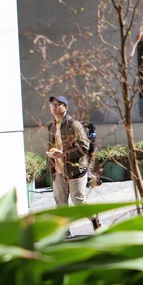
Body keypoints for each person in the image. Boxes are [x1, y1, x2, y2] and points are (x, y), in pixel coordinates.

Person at [46, 95, 102, 234]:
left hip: (75, 169)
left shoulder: (74, 125)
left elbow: (84, 147)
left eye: (58, 104)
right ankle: (65, 231)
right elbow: (51, 145)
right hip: (58, 170)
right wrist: (51, 162)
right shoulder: (51, 126)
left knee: (78, 201)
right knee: (60, 202)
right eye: (52, 104)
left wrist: (64, 154)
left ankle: (95, 218)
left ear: (65, 108)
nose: (54, 107)